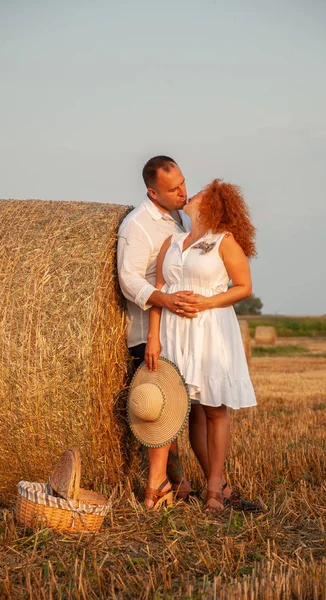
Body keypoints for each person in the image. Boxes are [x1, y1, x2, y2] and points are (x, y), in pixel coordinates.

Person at [145, 179, 260, 511]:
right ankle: (183, 482)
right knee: (181, 406)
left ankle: (214, 489)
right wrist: (154, 335)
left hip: (210, 329)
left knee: (213, 407)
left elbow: (243, 287)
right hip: (173, 330)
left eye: (199, 194)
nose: (190, 194)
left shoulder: (224, 242)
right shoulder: (173, 240)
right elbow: (159, 288)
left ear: (212, 204)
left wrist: (207, 304)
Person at [117, 155, 200, 500]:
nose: (183, 191)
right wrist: (165, 301)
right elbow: (128, 279)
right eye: (173, 188)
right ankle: (161, 485)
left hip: (177, 330)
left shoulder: (180, 217)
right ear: (153, 193)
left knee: (175, 407)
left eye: (182, 182)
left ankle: (177, 483)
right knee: (158, 408)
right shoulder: (137, 226)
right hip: (149, 334)